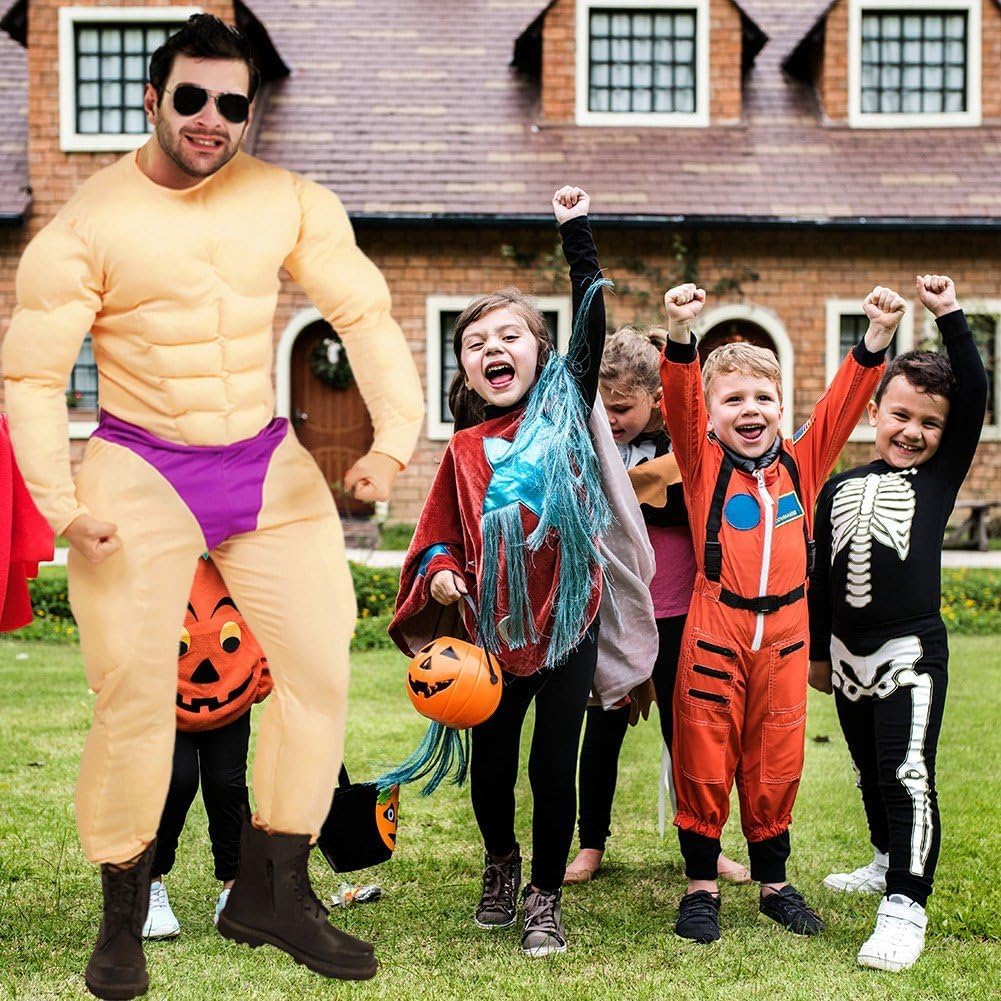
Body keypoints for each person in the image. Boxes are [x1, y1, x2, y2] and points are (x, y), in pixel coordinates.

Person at [1, 14, 423, 998]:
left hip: (261, 458)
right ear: (151, 99)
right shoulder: (85, 226)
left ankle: (271, 889)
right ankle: (122, 919)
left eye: (232, 103)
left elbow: (362, 311)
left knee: (319, 670)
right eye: (190, 97)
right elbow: (30, 376)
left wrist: (392, 441)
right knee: (133, 696)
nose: (211, 118)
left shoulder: (287, 200)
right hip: (138, 463)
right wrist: (60, 503)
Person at [390, 187, 653, 958]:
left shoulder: (564, 409)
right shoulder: (463, 450)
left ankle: (544, 894)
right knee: (494, 763)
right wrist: (442, 575)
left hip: (569, 619)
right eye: (475, 343)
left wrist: (577, 234)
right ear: (466, 370)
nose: (492, 349)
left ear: (541, 352)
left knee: (551, 765)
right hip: (491, 631)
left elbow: (592, 315)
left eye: (509, 335)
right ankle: (500, 862)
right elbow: (438, 538)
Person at [660, 281, 901, 943]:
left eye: (763, 398)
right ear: (711, 415)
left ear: (780, 407)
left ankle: (773, 883)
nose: (750, 409)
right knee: (704, 754)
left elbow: (840, 407)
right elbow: (679, 401)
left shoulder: (801, 462)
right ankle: (700, 885)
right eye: (733, 399)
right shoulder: (700, 462)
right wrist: (680, 334)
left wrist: (877, 336)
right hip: (716, 627)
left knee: (777, 756)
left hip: (787, 634)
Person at [808, 275, 988, 972]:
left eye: (929, 424)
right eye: (901, 415)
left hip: (909, 653)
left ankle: (905, 906)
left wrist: (948, 314)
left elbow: (974, 391)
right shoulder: (839, 485)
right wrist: (818, 653)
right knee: (867, 770)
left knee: (906, 771)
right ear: (874, 411)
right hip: (844, 653)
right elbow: (822, 575)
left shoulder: (937, 480)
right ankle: (886, 858)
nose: (912, 431)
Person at [565, 326, 749, 886]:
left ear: (656, 398)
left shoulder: (688, 446)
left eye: (623, 407)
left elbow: (694, 505)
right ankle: (591, 844)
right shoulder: (587, 443)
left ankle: (706, 844)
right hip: (613, 615)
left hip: (679, 614)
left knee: (686, 733)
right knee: (602, 733)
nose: (611, 417)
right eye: (603, 406)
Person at [143, 557, 272, 940]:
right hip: (164, 692)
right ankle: (146, 885)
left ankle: (236, 889)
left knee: (226, 785)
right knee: (175, 781)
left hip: (230, 690)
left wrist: (263, 671)